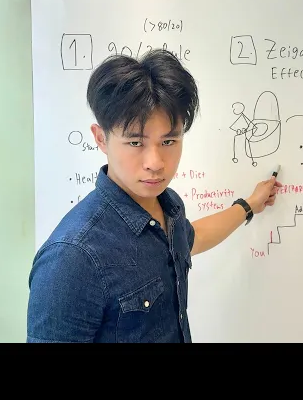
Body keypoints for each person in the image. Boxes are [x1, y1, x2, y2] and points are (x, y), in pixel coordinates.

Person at [26, 49, 282, 343]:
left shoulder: (168, 206)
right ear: (101, 138)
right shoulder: (72, 257)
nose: (156, 163)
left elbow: (193, 237)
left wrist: (250, 205)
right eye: (136, 142)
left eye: (169, 141)